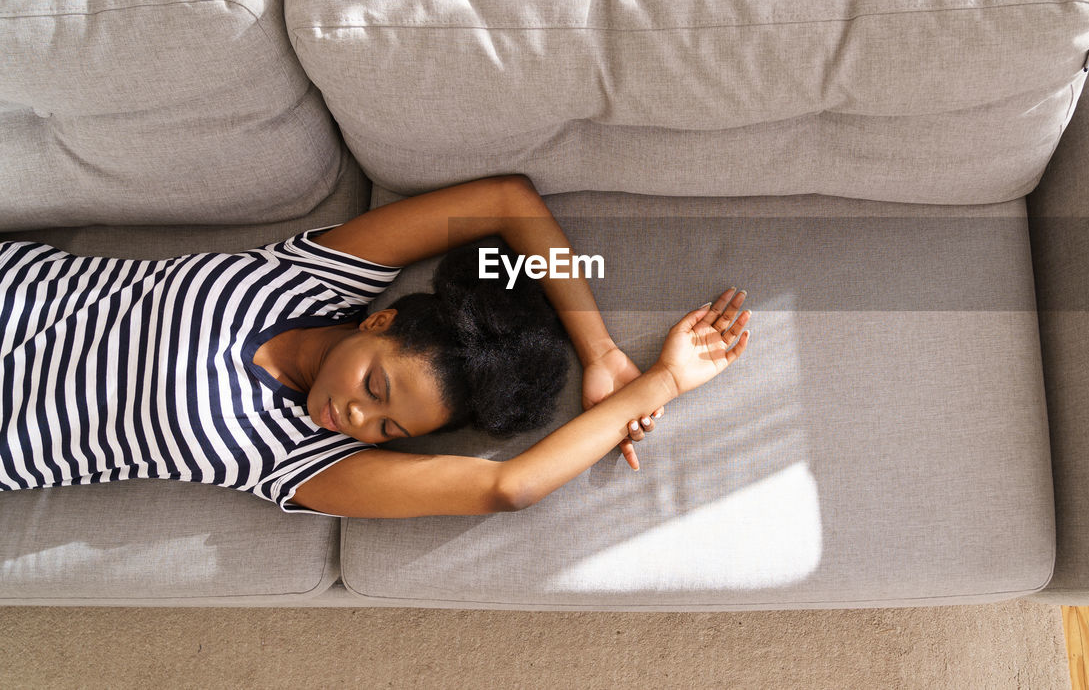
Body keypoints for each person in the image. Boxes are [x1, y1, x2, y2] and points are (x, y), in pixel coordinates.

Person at [0, 174, 751, 518]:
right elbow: (507, 203)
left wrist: (660, 383)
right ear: (379, 324)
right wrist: (599, 349)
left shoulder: (299, 459)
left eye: (387, 429)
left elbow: (507, 487)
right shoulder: (312, 278)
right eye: (375, 389)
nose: (356, 418)